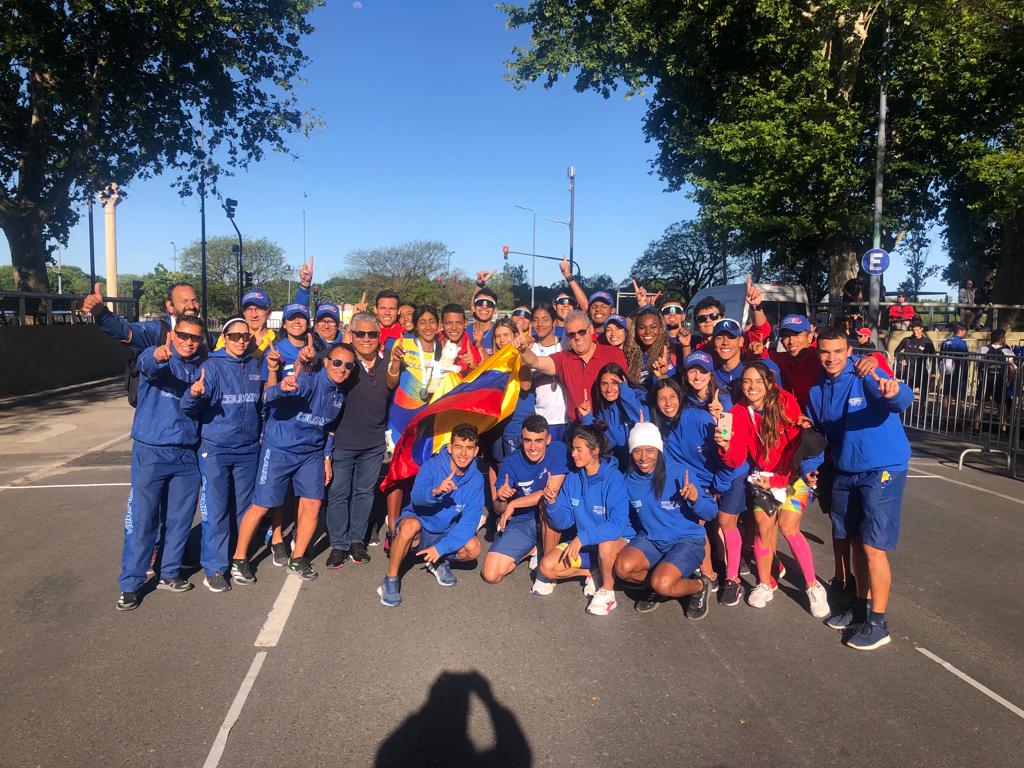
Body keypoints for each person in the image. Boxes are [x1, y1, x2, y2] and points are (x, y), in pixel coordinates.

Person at [808, 328, 914, 650]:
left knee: (871, 546)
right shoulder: (816, 391)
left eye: (838, 351)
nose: (832, 358)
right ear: (818, 353)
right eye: (825, 352)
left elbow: (899, 399)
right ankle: (859, 607)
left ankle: (878, 622)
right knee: (853, 541)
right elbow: (816, 433)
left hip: (882, 469)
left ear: (848, 349)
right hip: (845, 470)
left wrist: (893, 390)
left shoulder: (865, 372)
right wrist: (808, 466)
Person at [230, 343, 355, 584]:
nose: (342, 369)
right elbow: (267, 397)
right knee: (262, 505)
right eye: (337, 362)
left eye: (349, 365)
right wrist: (282, 389)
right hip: (279, 449)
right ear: (327, 361)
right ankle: (239, 558)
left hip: (311, 454)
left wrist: (326, 457)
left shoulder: (340, 395)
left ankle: (298, 559)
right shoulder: (308, 380)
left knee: (313, 504)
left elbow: (329, 428)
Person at [715, 362, 829, 618]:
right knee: (763, 530)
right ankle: (765, 583)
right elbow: (736, 458)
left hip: (791, 475)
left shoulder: (786, 403)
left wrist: (778, 481)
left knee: (788, 527)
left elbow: (795, 449)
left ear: (769, 382)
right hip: (763, 478)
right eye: (746, 381)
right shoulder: (740, 411)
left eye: (758, 381)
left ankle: (813, 585)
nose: (752, 387)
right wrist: (725, 445)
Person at [115, 315, 207, 611]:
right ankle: (131, 583)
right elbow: (147, 365)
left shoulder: (201, 368)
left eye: (194, 337)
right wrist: (157, 355)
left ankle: (169, 573)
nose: (188, 341)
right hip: (152, 451)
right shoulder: (156, 356)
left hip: (186, 454)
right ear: (173, 334)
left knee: (180, 519)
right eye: (183, 335)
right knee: (143, 520)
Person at [180, 318, 264, 593]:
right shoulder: (212, 366)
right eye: (235, 336)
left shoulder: (254, 365)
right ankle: (215, 567)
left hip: (248, 449)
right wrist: (194, 394)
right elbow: (189, 408)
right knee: (216, 509)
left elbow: (261, 403)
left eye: (245, 336)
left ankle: (239, 559)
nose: (240, 340)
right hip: (216, 448)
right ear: (224, 338)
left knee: (244, 509)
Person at [614, 422, 715, 619]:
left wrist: (695, 499)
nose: (643, 458)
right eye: (637, 451)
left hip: (686, 540)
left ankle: (699, 585)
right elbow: (627, 516)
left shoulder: (678, 473)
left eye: (650, 450)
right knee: (622, 569)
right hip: (652, 539)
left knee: (663, 583)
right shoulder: (629, 479)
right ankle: (660, 583)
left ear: (659, 450)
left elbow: (711, 512)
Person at [377, 423, 486, 607]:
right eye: (458, 447)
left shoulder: (476, 479)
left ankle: (438, 560)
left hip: (446, 531)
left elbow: (469, 522)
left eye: (469, 448)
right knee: (408, 526)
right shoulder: (432, 466)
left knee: (474, 548)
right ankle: (390, 580)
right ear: (450, 448)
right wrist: (435, 492)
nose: (463, 453)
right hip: (421, 526)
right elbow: (416, 498)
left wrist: (441, 548)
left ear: (476, 451)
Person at [324, 313, 395, 569]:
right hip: (343, 441)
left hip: (374, 442)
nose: (366, 339)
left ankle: (357, 541)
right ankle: (339, 544)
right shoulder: (344, 362)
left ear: (379, 336)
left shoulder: (389, 363)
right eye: (360, 334)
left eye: (372, 334)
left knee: (364, 493)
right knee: (338, 494)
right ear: (351, 335)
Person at [539, 424, 632, 615]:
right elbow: (562, 522)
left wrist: (583, 538)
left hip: (617, 541)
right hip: (588, 544)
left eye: (579, 449)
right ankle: (593, 571)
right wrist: (553, 503)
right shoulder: (573, 477)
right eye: (573, 448)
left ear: (595, 451)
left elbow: (617, 525)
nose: (573, 454)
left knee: (606, 546)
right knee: (546, 567)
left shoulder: (614, 479)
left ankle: (607, 591)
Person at [483, 415, 568, 585]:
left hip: (553, 517)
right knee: (491, 575)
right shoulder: (510, 463)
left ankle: (546, 570)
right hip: (523, 520)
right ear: (521, 439)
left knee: (548, 503)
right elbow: (500, 509)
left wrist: (514, 503)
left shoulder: (559, 450)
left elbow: (550, 492)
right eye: (528, 440)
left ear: (549, 439)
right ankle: (532, 548)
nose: (533, 447)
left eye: (539, 441)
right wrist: (502, 498)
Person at [384, 305, 443, 546]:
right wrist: (396, 364)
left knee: (423, 475)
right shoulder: (403, 345)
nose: (428, 326)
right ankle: (391, 529)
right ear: (415, 326)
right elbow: (390, 383)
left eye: (432, 321)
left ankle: (418, 525)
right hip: (401, 418)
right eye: (423, 322)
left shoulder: (446, 351)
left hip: (429, 422)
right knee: (397, 475)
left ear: (438, 325)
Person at [517, 310, 627, 425]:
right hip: (578, 429)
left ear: (591, 329)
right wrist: (524, 350)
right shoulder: (564, 358)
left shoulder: (614, 354)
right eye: (571, 334)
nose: (577, 337)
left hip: (611, 425)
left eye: (581, 332)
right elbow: (536, 362)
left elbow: (626, 389)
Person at [578, 362, 647, 470]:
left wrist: (625, 391)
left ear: (623, 381)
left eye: (614, 383)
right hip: (626, 465)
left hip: (647, 460)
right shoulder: (604, 411)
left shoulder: (637, 394)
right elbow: (606, 443)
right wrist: (587, 417)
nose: (609, 389)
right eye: (604, 384)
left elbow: (643, 418)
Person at [488, 318, 536, 465]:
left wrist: (522, 352)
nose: (501, 340)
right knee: (499, 466)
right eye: (498, 336)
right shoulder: (495, 360)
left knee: (517, 469)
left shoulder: (524, 356)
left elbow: (526, 385)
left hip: (517, 424)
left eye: (506, 335)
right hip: (499, 424)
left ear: (515, 336)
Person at [682, 278, 771, 357]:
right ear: (696, 324)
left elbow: (761, 331)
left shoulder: (735, 341)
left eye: (714, 316)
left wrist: (755, 307)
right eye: (702, 318)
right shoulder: (695, 347)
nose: (708, 320)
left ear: (722, 318)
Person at [710, 318, 782, 400]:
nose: (725, 342)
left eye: (731, 337)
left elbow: (780, 401)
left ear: (741, 341)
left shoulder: (763, 368)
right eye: (719, 338)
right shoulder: (707, 371)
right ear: (713, 342)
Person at [529, 303, 569, 444]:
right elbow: (525, 385)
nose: (540, 324)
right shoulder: (530, 349)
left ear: (553, 322)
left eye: (545, 319)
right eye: (535, 320)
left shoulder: (566, 345)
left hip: (568, 418)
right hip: (543, 417)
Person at [972, 328, 1017, 434]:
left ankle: (976, 426)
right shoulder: (1007, 351)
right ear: (1002, 339)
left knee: (981, 403)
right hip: (1000, 381)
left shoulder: (983, 349)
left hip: (986, 380)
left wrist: (980, 377)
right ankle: (1003, 428)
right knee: (1002, 405)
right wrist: (1008, 380)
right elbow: (1012, 368)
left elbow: (978, 365)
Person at [624, 305, 675, 388]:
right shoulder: (629, 352)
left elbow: (671, 390)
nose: (648, 332)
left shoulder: (666, 355)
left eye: (653, 327)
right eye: (642, 328)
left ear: (661, 329)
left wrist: (663, 375)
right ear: (636, 330)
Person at [893, 319, 935, 402]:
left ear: (921, 329)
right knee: (908, 394)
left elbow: (933, 358)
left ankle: (922, 412)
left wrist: (933, 372)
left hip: (922, 370)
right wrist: (901, 360)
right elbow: (896, 352)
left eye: (917, 329)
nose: (915, 332)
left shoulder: (927, 342)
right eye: (913, 330)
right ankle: (907, 413)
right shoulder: (907, 340)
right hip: (910, 371)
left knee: (923, 394)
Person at [440, 303, 483, 374]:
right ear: (441, 324)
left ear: (465, 323)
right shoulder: (433, 344)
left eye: (458, 323)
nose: (454, 328)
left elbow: (482, 380)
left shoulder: (473, 351)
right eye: (449, 323)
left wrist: (473, 368)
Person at [939, 323, 969, 414]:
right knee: (959, 395)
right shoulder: (962, 343)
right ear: (960, 331)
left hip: (947, 371)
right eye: (965, 331)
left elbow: (941, 355)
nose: (965, 333)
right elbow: (965, 356)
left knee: (946, 394)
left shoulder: (945, 342)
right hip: (959, 370)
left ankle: (944, 417)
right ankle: (958, 418)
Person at [468, 288, 498, 355]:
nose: (484, 306)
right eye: (480, 302)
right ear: (474, 308)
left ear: (495, 310)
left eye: (489, 304)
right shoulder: (464, 332)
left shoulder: (499, 333)